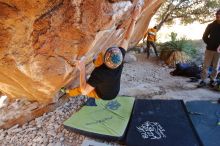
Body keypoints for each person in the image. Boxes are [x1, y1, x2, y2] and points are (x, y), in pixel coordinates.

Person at [60, 5, 142, 100]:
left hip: (103, 95)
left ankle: (67, 92)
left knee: (80, 88)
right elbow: (127, 39)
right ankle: (95, 63)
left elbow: (84, 91)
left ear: (106, 60)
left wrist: (82, 69)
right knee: (97, 61)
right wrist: (134, 19)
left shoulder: (100, 73)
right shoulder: (119, 59)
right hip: (115, 90)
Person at [198, 9, 220, 88]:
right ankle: (203, 80)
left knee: (216, 67)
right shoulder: (210, 25)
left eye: (219, 15)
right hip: (209, 49)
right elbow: (204, 37)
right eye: (217, 15)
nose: (218, 16)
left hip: (219, 51)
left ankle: (212, 80)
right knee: (206, 66)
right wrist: (210, 43)